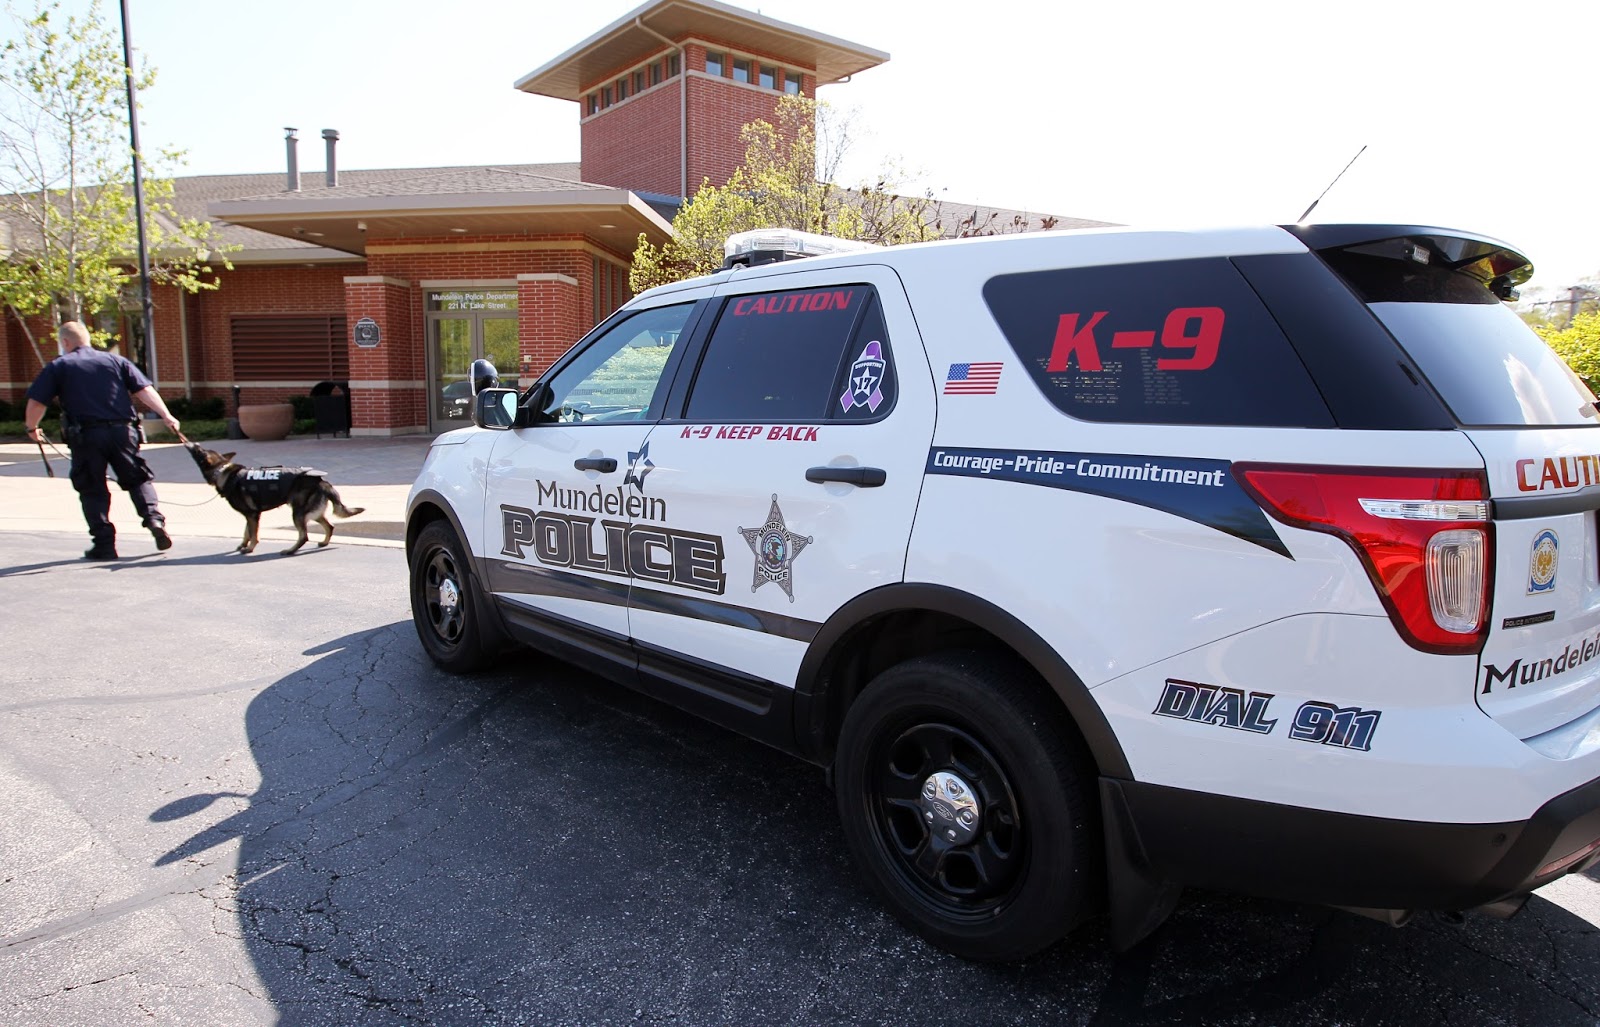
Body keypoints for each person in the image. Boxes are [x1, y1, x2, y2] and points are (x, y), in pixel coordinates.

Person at [22, 321, 182, 560]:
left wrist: (32, 428)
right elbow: (144, 390)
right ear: (87, 338)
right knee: (137, 479)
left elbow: (36, 403)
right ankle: (154, 520)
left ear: (65, 342)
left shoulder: (60, 365)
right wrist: (166, 415)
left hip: (86, 436)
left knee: (92, 488)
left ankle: (104, 544)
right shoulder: (116, 361)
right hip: (123, 432)